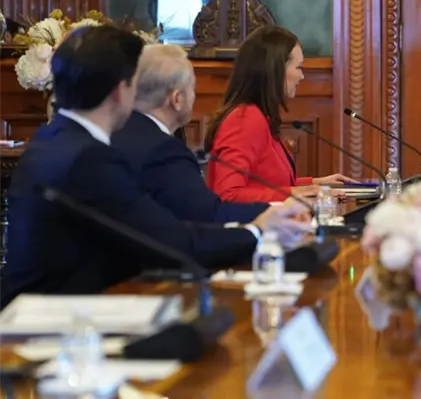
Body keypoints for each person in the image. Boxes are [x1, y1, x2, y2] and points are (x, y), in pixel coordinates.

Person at [0, 26, 310, 308]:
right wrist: (258, 231)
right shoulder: (90, 159)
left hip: (44, 307)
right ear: (121, 91)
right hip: (52, 321)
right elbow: (173, 242)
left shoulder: (51, 139)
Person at [111, 44, 268, 224]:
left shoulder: (113, 132)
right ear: (177, 99)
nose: (194, 96)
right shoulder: (164, 152)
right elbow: (207, 216)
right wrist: (275, 211)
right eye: (192, 88)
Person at [204, 25, 350, 202]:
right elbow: (228, 195)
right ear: (276, 69)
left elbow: (268, 185)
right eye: (299, 67)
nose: (302, 76)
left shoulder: (260, 115)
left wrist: (314, 183)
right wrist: (296, 192)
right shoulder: (245, 119)